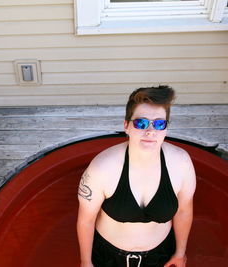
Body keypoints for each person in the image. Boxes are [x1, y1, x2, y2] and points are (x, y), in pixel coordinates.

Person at [76, 86, 196, 267]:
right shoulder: (102, 168)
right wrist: (86, 262)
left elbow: (184, 211)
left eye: (158, 124)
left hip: (161, 254)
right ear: (126, 126)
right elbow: (86, 220)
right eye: (141, 123)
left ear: (166, 128)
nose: (150, 131)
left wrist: (180, 253)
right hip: (108, 256)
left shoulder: (181, 164)